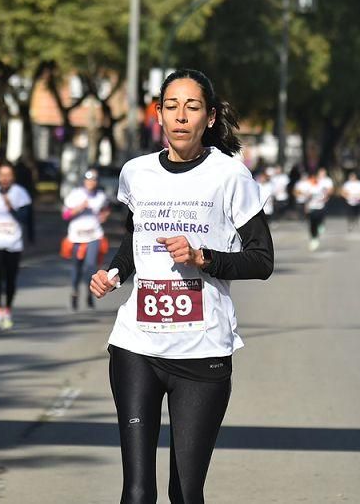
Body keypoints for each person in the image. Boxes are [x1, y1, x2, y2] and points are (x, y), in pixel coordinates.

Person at [89, 68, 274, 504]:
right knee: (137, 492)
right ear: (159, 114)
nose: (181, 116)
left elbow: (262, 261)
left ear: (209, 117)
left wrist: (202, 257)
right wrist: (113, 274)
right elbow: (133, 243)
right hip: (137, 345)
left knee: (185, 493)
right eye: (171, 106)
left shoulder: (229, 175)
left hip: (202, 350)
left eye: (192, 107)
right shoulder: (136, 173)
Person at [0, 163, 33, 329]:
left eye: (7, 175)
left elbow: (25, 218)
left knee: (10, 278)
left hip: (13, 241)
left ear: (13, 177)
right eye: (1, 175)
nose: (4, 178)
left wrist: (11, 207)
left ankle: (7, 310)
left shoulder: (20, 193)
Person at [62, 167, 111, 311]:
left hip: (94, 235)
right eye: (89, 179)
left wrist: (104, 216)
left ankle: (90, 292)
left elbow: (106, 208)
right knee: (77, 267)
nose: (91, 182)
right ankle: (75, 293)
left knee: (90, 265)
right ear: (84, 181)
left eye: (94, 180)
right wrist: (79, 208)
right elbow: (65, 215)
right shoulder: (75, 195)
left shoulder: (100, 196)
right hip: (77, 236)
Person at [295, 165, 334, 251]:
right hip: (311, 207)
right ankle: (314, 238)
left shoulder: (321, 185)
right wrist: (306, 202)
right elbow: (301, 194)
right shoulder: (309, 186)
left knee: (320, 220)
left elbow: (327, 192)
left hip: (320, 207)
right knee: (312, 224)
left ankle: (319, 229)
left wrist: (325, 197)